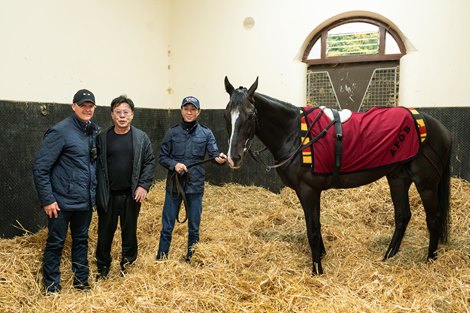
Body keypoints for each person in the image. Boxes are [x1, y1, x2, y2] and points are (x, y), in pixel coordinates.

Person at [33, 89, 99, 293]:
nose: (87, 109)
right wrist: (47, 199)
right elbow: (40, 167)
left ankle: (81, 282)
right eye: (83, 105)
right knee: (55, 243)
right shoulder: (60, 131)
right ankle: (52, 286)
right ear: (74, 106)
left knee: (81, 241)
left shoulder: (94, 131)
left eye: (90, 106)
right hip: (60, 202)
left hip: (84, 201)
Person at [156, 96, 226, 263]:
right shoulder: (172, 132)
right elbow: (162, 157)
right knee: (167, 226)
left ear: (198, 112)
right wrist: (175, 164)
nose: (189, 112)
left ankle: (191, 259)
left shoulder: (206, 133)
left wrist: (220, 159)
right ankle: (161, 258)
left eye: (193, 109)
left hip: (195, 187)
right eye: (186, 109)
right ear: (181, 110)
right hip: (174, 186)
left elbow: (215, 154)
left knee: (194, 227)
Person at [95, 95, 156, 280]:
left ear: (132, 115)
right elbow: (95, 165)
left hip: (131, 195)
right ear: (112, 114)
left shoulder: (140, 138)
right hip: (108, 195)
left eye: (126, 112)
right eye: (118, 112)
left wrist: (143, 185)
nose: (122, 116)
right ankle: (103, 266)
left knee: (129, 232)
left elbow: (149, 162)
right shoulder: (102, 138)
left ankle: (127, 265)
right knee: (105, 232)